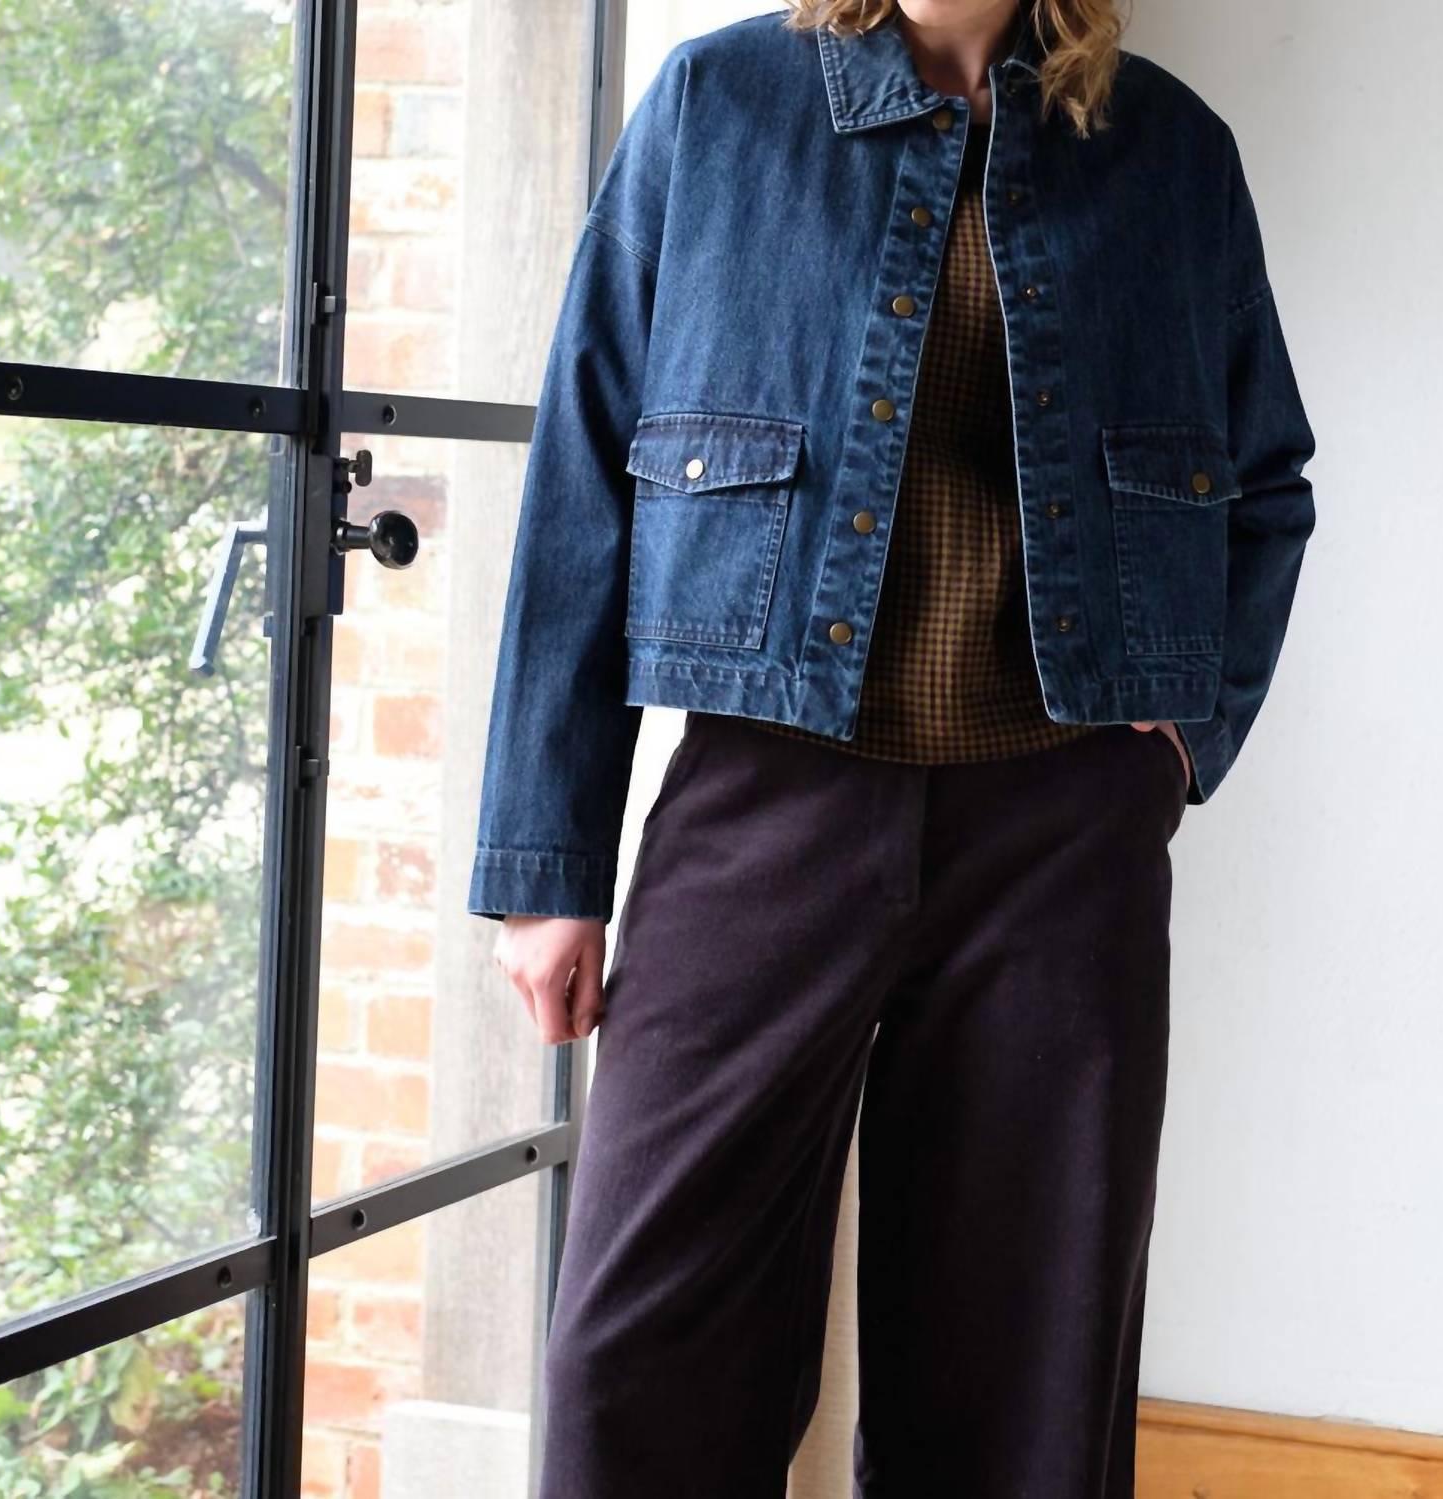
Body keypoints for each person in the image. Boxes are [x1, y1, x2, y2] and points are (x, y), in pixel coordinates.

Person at [468, 0, 1316, 1494]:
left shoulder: (1168, 151)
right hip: (767, 799)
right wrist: (550, 861)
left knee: (1019, 1381)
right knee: (643, 1360)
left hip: (1060, 837)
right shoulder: (719, 103)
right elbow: (584, 460)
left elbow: (1266, 479)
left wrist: (1189, 734)